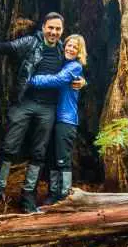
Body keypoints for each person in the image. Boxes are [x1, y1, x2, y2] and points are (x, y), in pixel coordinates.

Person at [0, 13, 85, 213]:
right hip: (25, 102)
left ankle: (28, 196)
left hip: (49, 108)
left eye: (58, 29)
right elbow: (5, 48)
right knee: (9, 146)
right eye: (50, 28)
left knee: (39, 153)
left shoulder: (63, 50)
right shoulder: (31, 42)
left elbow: (77, 69)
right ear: (43, 27)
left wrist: (84, 81)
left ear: (62, 31)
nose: (53, 32)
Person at [28, 34, 87, 205]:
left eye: (74, 47)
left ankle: (64, 196)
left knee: (63, 158)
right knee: (53, 157)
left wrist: (32, 80)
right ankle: (53, 193)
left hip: (66, 119)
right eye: (68, 45)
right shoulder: (64, 64)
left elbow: (59, 80)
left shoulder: (74, 66)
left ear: (79, 51)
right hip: (54, 116)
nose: (70, 49)